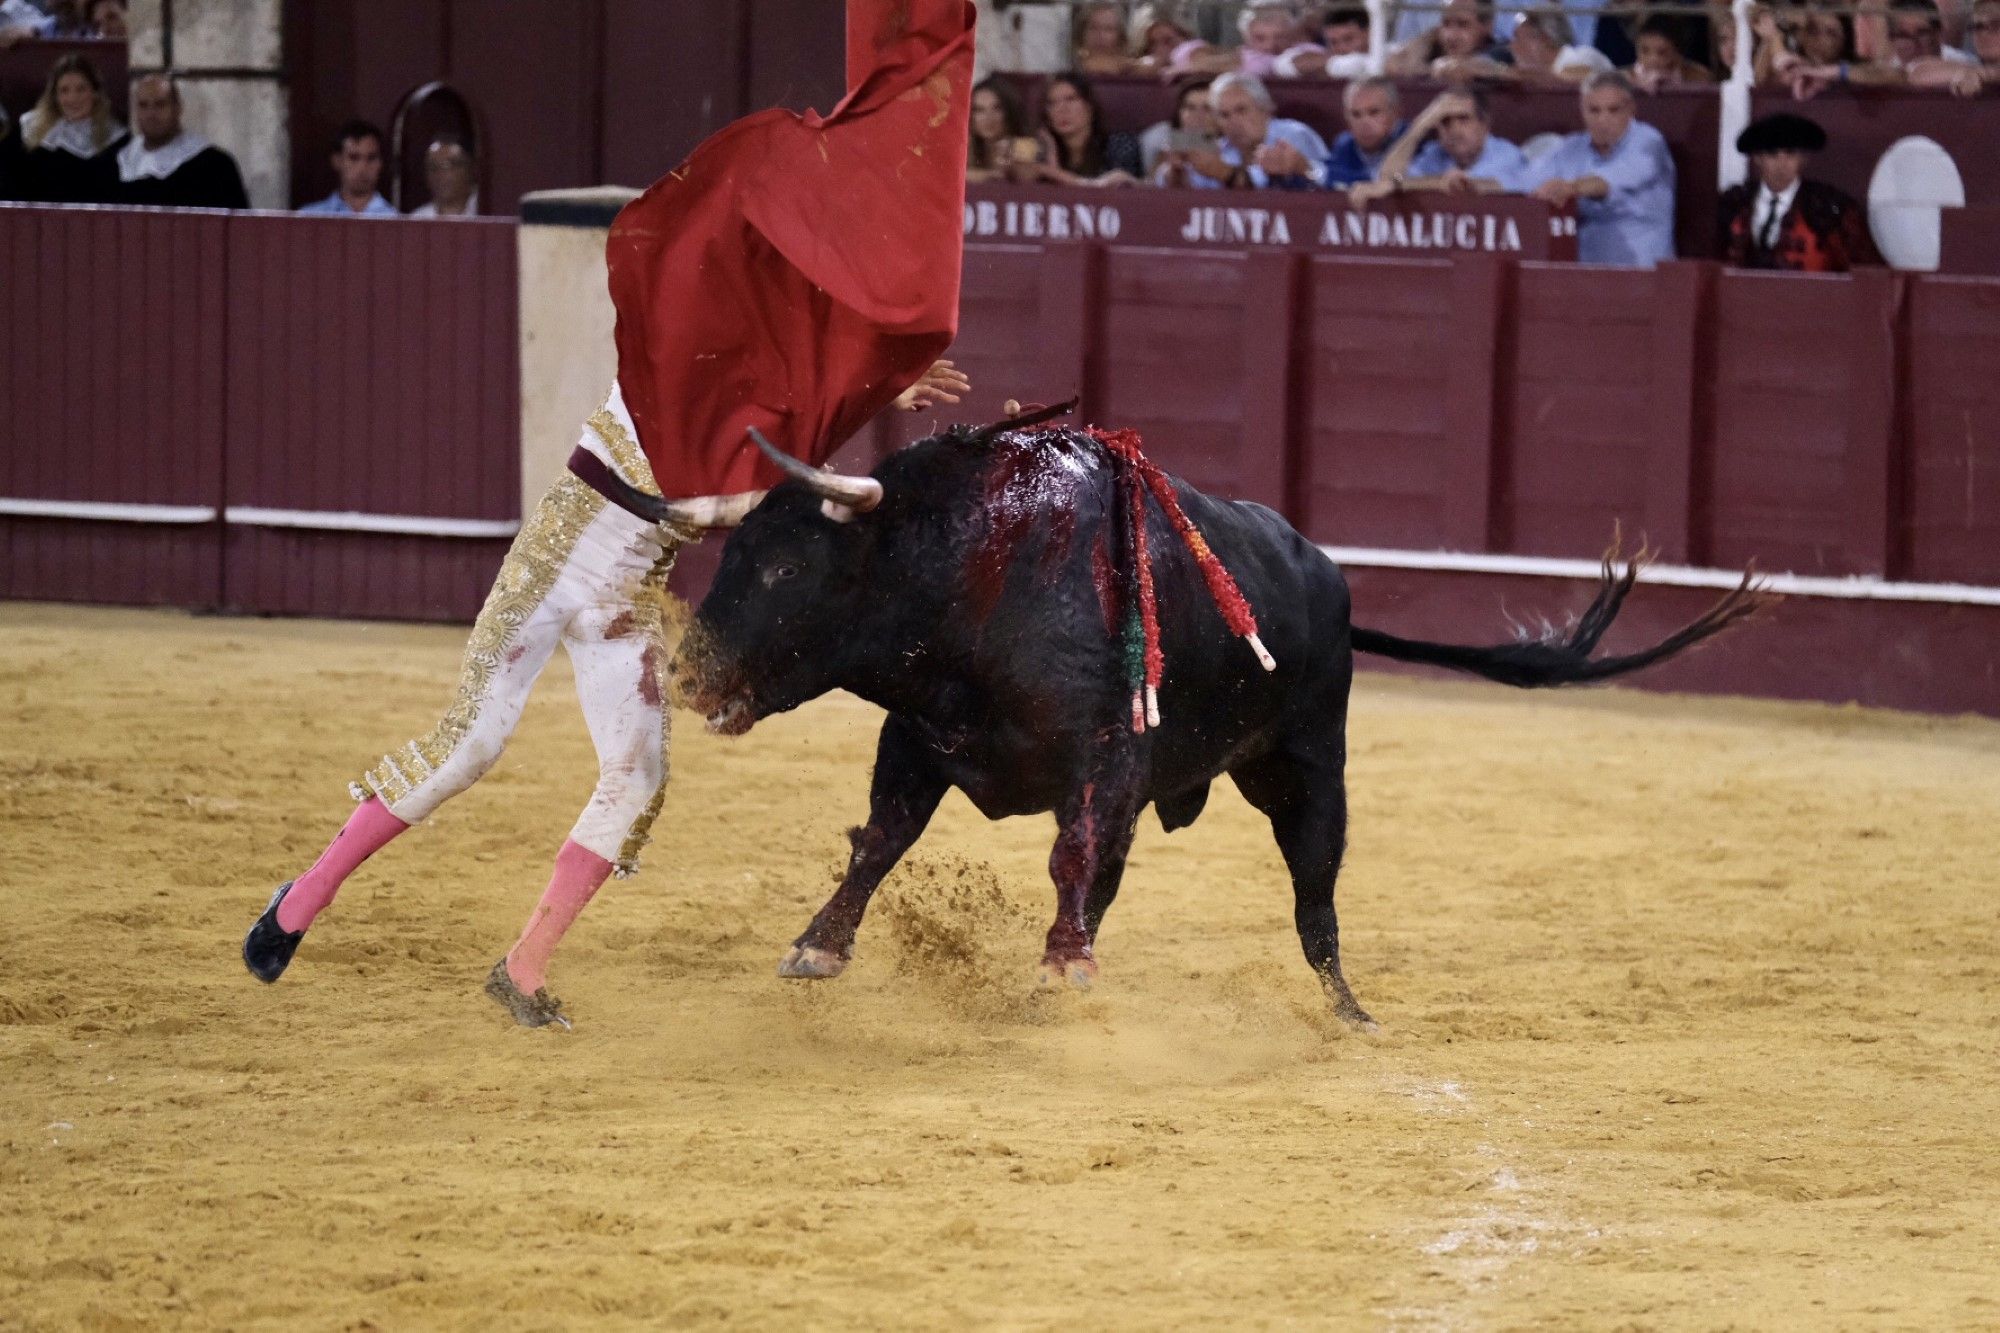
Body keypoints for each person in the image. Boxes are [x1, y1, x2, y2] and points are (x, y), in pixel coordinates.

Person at [243, 0, 981, 1030]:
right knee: (470, 746)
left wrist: (875, 387)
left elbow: (766, 457)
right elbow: (749, 475)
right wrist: (831, 468)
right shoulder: (681, 365)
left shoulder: (760, 402)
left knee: (636, 776)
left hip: (629, 586)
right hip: (560, 550)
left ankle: (525, 969)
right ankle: (297, 901)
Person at [1518, 71, 1676, 266]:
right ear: (1582, 111)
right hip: (1585, 279)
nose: (1603, 120)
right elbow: (1520, 182)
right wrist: (1476, 186)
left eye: (1613, 110)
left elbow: (1607, 181)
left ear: (1631, 110)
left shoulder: (1648, 142)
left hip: (1646, 279)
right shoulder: (1571, 148)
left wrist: (1570, 188)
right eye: (1594, 110)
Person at [1717, 112, 1879, 271]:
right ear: (1757, 158)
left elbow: (1859, 272)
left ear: (1803, 159)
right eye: (1772, 154)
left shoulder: (1830, 207)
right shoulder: (1733, 203)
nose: (1782, 164)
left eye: (1790, 154)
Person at [1350, 87, 1527, 203]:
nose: (1455, 130)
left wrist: (1397, 186)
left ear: (1485, 124)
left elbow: (1462, 187)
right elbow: (1387, 178)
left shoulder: (1505, 153)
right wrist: (1420, 125)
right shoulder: (1436, 153)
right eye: (1445, 122)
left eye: (1463, 119)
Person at [115, 74, 250, 209]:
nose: (151, 114)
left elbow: (236, 226)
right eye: (143, 105)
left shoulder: (215, 167)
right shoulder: (119, 164)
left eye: (160, 105)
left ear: (177, 108)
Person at [1180, 71, 1329, 189]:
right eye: (1224, 115)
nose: (1233, 122)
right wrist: (1176, 170)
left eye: (1241, 110)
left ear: (1265, 109)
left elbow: (1320, 184)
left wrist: (1224, 173)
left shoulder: (1293, 134)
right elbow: (1196, 188)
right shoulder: (1222, 148)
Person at [11, 52, 126, 203]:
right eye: (64, 90)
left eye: (81, 89)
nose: (73, 98)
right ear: (54, 96)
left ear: (95, 92)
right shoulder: (28, 129)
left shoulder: (117, 139)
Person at [1031, 74, 1143, 186]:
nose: (1061, 109)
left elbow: (1116, 187)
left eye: (1071, 99)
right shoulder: (1042, 151)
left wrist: (1052, 172)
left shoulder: (1120, 144)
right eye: (1052, 103)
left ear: (1089, 107)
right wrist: (1051, 158)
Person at [298, 119, 396, 216]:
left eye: (371, 158)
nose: (363, 167)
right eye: (354, 158)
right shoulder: (310, 217)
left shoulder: (396, 221)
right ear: (337, 161)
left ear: (381, 163)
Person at [1322, 76, 1406, 187]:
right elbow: (1333, 182)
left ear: (1395, 112)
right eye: (1356, 114)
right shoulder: (1345, 144)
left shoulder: (1414, 141)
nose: (1364, 123)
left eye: (1374, 112)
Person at [1388, 0, 1503, 75]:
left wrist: (1429, 70)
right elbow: (1394, 66)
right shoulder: (1432, 47)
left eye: (1463, 24)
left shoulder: (1500, 53)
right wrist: (1426, 39)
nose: (1451, 35)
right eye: (1446, 24)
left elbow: (1458, 70)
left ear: (1487, 26)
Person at [1142, 76, 1216, 180]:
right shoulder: (1163, 141)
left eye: (1207, 108)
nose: (1198, 115)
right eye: (1190, 108)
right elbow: (1152, 186)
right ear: (1179, 112)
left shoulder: (1235, 145)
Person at [967, 75, 1030, 182]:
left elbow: (1027, 175)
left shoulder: (1025, 145)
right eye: (979, 110)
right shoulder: (964, 148)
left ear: (1008, 112)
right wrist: (989, 175)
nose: (988, 118)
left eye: (997, 108)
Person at [1629, 14, 1716, 86]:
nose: (1653, 59)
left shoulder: (1698, 77)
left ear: (1677, 53)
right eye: (1645, 51)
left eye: (1662, 52)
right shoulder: (1626, 80)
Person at [409, 137, 478, 217]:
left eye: (447, 166)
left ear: (470, 169)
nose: (440, 174)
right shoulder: (418, 218)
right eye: (433, 167)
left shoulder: (485, 211)